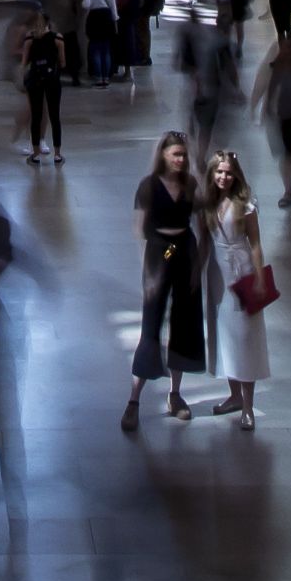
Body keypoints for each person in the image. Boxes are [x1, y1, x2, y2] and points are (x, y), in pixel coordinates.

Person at [124, 131, 211, 428]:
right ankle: (134, 399)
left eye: (183, 155)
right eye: (175, 154)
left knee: (184, 323)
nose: (180, 159)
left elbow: (203, 220)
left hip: (183, 248)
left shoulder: (189, 184)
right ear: (162, 155)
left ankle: (175, 394)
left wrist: (199, 261)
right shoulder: (148, 186)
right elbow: (139, 230)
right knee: (151, 323)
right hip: (162, 250)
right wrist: (148, 271)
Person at [205, 148, 272, 424]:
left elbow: (255, 242)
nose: (223, 177)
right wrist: (168, 256)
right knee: (226, 338)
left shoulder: (245, 204)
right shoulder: (208, 203)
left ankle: (248, 406)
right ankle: (234, 395)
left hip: (241, 271)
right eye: (219, 172)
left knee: (246, 338)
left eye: (228, 173)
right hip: (219, 273)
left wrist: (258, 277)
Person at [18, 6, 65, 161]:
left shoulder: (29, 39)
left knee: (36, 115)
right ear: (48, 22)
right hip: (52, 79)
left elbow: (24, 62)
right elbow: (63, 62)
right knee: (54, 116)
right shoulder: (58, 39)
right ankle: (57, 153)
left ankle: (36, 152)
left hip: (35, 78)